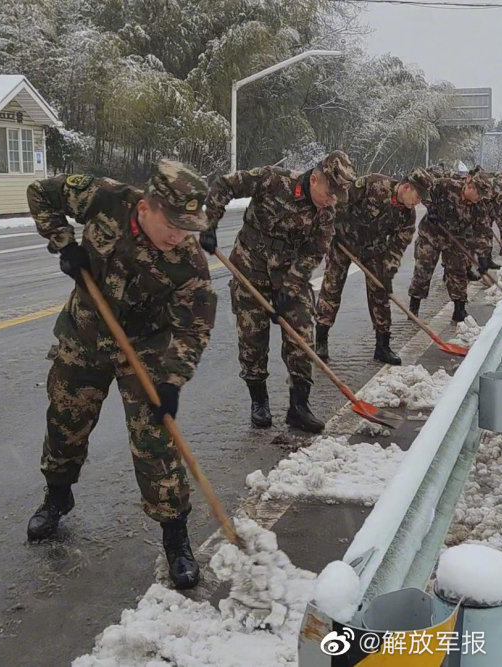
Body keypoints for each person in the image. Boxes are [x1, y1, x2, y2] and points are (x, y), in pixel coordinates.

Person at [25, 158, 217, 590]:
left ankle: (175, 537)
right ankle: (57, 496)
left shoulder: (188, 260)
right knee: (65, 421)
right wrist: (63, 242)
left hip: (146, 347)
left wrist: (173, 380)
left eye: (189, 227)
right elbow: (40, 192)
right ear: (147, 207)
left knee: (156, 439)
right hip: (85, 331)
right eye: (174, 224)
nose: (181, 236)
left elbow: (195, 325)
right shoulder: (104, 197)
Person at [201, 151, 355, 433]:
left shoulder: (326, 213)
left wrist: (290, 288)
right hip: (249, 268)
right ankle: (259, 401)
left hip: (288, 273)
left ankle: (299, 407)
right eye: (329, 192)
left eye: (337, 196)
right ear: (315, 178)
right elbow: (225, 184)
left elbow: (314, 252)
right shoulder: (273, 180)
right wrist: (210, 222)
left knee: (302, 337)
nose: (331, 200)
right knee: (252, 339)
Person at [315, 168, 433, 365]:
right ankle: (321, 339)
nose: (418, 202)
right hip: (343, 241)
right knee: (332, 288)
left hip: (373, 249)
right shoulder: (373, 185)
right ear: (406, 187)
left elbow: (397, 247)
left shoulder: (407, 216)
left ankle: (382, 346)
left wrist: (388, 271)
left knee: (380, 292)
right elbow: (339, 200)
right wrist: (330, 229)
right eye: (418, 195)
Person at [408, 171, 493, 322]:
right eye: (479, 195)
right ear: (471, 187)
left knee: (458, 271)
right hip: (431, 234)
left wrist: (484, 257)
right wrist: (431, 207)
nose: (479, 199)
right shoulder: (447, 185)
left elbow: (483, 232)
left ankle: (459, 309)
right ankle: (414, 307)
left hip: (455, 239)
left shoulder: (478, 206)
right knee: (423, 269)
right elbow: (426, 189)